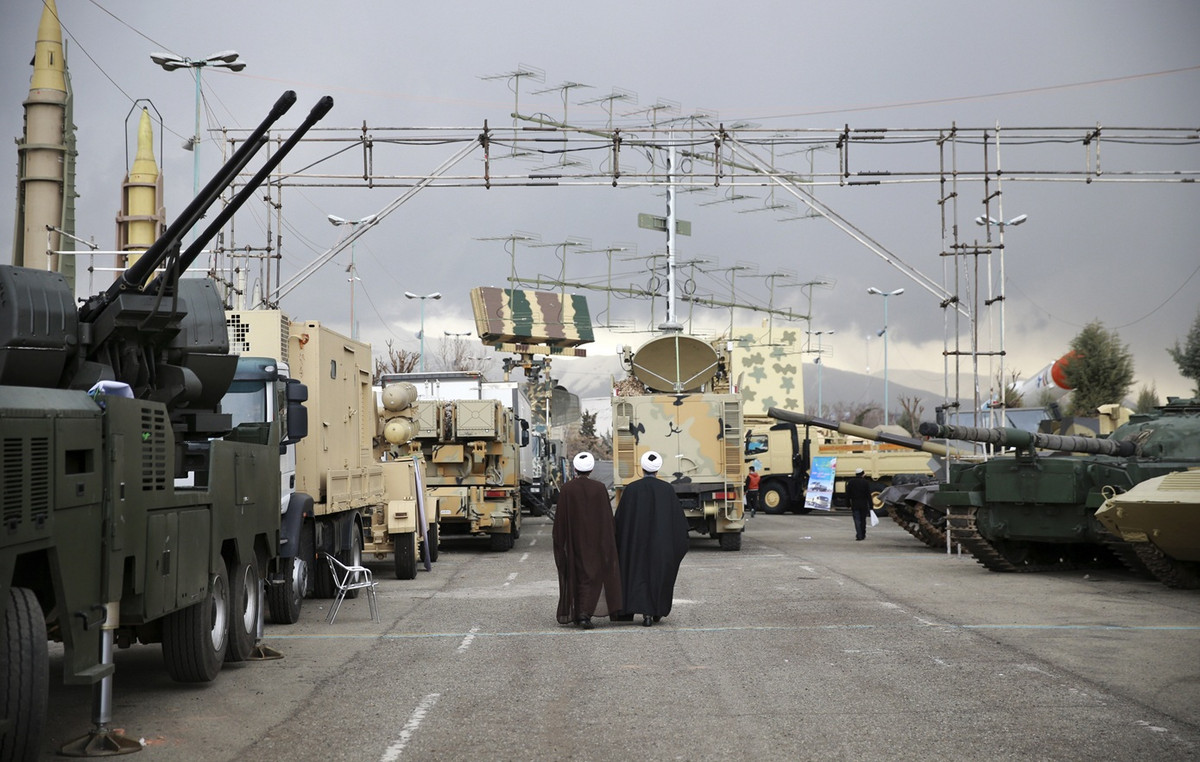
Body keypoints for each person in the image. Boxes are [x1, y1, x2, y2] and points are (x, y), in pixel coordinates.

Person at [613, 450, 689, 627]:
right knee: (657, 574)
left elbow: (620, 522)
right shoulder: (667, 490)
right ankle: (652, 611)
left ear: (642, 468)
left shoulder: (631, 489)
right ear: (657, 469)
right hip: (660, 545)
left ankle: (637, 608)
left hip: (635, 545)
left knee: (637, 573)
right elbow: (678, 523)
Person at [553, 452, 623, 629]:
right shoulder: (599, 488)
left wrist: (561, 543)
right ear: (591, 469)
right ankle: (585, 613)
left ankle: (580, 612)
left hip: (574, 541)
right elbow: (606, 517)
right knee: (593, 576)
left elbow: (560, 520)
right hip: (595, 541)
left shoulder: (567, 489)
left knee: (577, 575)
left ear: (575, 469)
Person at [845, 468, 873, 541]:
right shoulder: (865, 482)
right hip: (864, 504)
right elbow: (868, 495)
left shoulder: (851, 482)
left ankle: (859, 535)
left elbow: (848, 494)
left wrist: (848, 504)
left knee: (857, 520)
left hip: (855, 504)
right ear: (863, 474)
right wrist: (871, 505)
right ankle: (863, 534)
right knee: (863, 520)